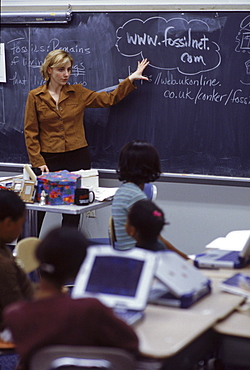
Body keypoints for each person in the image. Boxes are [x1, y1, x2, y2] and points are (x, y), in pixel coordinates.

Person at [24, 49, 150, 231]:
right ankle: (23, 253)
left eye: (69, 69)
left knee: (73, 211)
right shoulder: (35, 97)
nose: (66, 74)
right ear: (49, 70)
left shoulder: (78, 92)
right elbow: (30, 132)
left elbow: (108, 99)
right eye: (61, 69)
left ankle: (67, 252)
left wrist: (130, 79)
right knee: (38, 209)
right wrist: (37, 161)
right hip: (48, 160)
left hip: (78, 157)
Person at [3, 227, 139, 370]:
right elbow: (131, 344)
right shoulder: (91, 310)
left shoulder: (15, 315)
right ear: (79, 268)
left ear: (38, 256)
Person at [112, 140, 161, 250]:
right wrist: (184, 258)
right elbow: (154, 238)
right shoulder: (136, 197)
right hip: (139, 254)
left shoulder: (124, 191)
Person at [0, 190, 34, 337]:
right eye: (21, 225)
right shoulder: (4, 265)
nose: (21, 230)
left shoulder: (4, 250)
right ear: (8, 223)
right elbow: (17, 311)